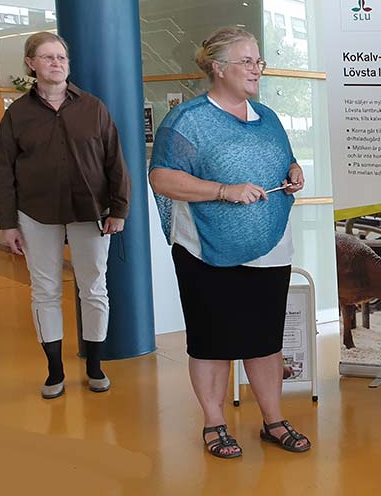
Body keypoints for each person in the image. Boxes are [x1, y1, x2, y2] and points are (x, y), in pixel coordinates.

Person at [149, 27, 310, 459]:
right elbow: (162, 178)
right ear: (218, 68)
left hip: (271, 248)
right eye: (247, 61)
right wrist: (224, 190)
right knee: (212, 341)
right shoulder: (187, 121)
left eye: (259, 60)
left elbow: (284, 158)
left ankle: (273, 420)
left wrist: (294, 172)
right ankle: (214, 423)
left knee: (265, 339)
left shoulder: (268, 116)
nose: (257, 68)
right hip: (205, 249)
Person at [0, 32, 130, 399]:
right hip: (35, 214)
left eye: (61, 58)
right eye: (48, 57)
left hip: (91, 212)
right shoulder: (17, 114)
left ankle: (95, 366)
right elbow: (3, 171)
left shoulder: (93, 107)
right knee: (46, 291)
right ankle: (54, 371)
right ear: (31, 64)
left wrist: (119, 208)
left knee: (94, 288)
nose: (57, 63)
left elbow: (115, 160)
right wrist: (8, 224)